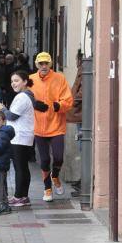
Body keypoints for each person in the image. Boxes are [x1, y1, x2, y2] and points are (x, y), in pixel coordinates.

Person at [29, 52, 73, 202]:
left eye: (46, 63)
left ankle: (55, 176)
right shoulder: (31, 80)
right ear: (36, 65)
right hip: (39, 126)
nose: (43, 66)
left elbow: (68, 99)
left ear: (50, 64)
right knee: (45, 160)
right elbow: (24, 97)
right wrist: (34, 104)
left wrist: (59, 105)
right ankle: (47, 189)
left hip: (56, 125)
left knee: (59, 157)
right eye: (40, 63)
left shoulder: (60, 78)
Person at [0, 70, 37, 208]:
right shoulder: (26, 96)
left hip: (20, 137)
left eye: (16, 81)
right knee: (22, 167)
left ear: (25, 82)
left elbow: (12, 116)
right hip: (23, 136)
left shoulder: (23, 97)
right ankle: (23, 196)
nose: (13, 84)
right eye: (12, 81)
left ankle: (19, 196)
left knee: (20, 168)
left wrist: (2, 108)